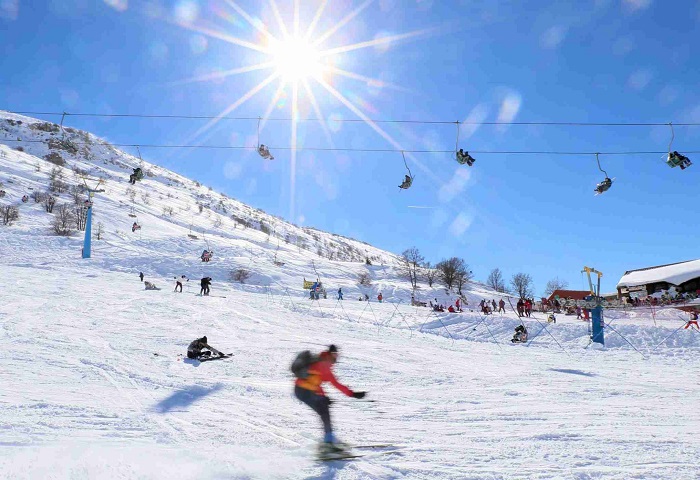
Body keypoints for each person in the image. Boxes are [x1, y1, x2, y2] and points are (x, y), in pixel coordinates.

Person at [293, 345, 366, 456]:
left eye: (337, 354)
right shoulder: (323, 365)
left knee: (324, 411)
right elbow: (336, 384)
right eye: (335, 354)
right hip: (303, 391)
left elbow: (314, 382)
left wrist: (324, 397)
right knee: (324, 412)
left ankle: (329, 439)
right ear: (330, 354)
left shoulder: (321, 362)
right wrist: (352, 394)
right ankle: (328, 443)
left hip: (303, 391)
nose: (336, 357)